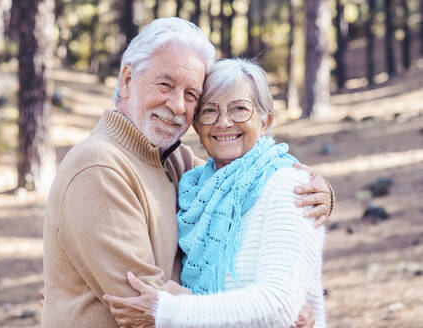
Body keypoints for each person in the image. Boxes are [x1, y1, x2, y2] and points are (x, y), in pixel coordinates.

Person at [41, 18, 333, 328]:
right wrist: (270, 316)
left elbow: (242, 178)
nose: (178, 105)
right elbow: (144, 304)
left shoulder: (176, 162)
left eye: (192, 94)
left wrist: (319, 191)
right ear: (127, 80)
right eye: (165, 85)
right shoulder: (99, 166)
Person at [103, 58, 327, 328]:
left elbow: (279, 305)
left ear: (265, 120)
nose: (223, 122)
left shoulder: (290, 186)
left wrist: (168, 313)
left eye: (240, 109)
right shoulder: (196, 187)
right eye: (209, 111)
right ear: (197, 125)